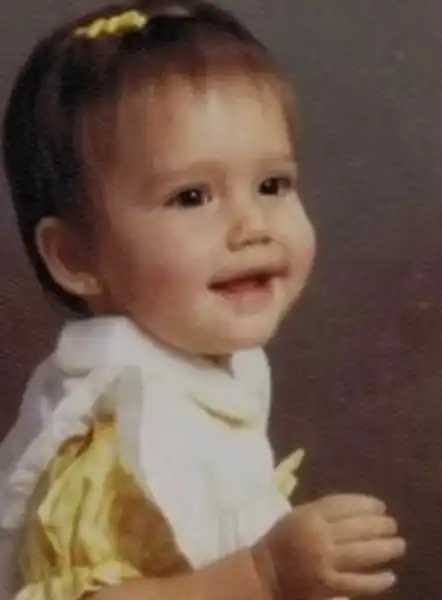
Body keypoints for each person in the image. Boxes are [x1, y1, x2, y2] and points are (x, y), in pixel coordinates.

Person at [0, 2, 406, 599]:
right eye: (191, 197)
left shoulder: (195, 378)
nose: (252, 226)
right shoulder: (117, 440)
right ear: (75, 257)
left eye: (272, 184)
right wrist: (262, 574)